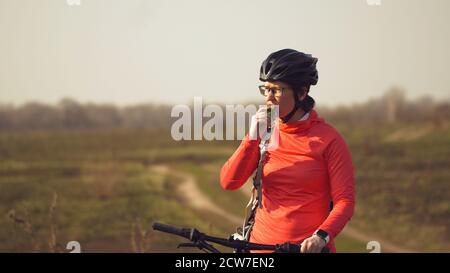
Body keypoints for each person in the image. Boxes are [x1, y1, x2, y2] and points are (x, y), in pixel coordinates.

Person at [220, 49, 355, 253]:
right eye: (265, 90)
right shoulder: (265, 133)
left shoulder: (329, 140)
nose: (269, 98)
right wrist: (251, 139)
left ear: (301, 93)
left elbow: (345, 201)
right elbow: (229, 182)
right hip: (258, 249)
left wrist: (321, 237)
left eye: (276, 90)